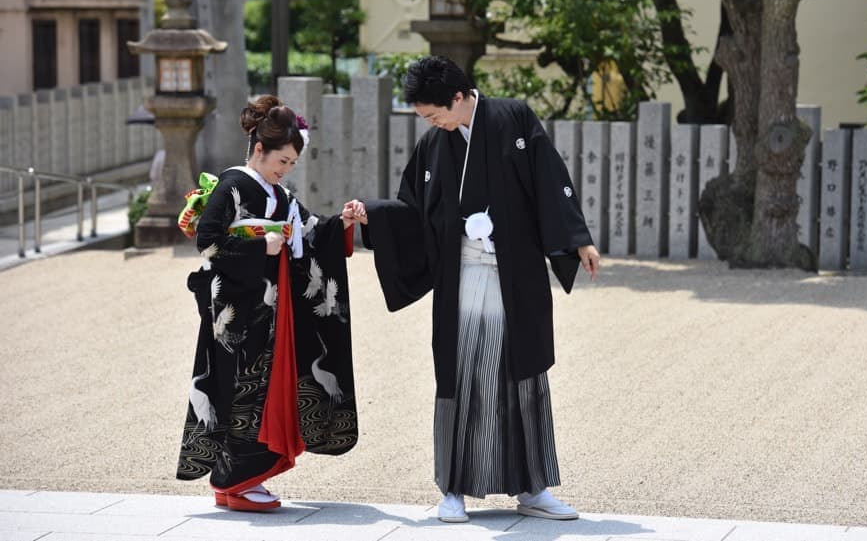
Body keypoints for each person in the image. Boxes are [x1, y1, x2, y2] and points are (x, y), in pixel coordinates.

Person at [344, 56, 601, 523]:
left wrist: (577, 238)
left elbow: (550, 178)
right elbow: (413, 212)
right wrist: (375, 215)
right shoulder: (434, 144)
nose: (431, 123)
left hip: (514, 273)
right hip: (461, 277)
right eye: (425, 117)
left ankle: (533, 487)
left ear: (459, 97)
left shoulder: (513, 119)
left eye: (434, 113)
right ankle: (453, 489)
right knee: (462, 376)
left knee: (522, 374)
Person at [176, 95, 358, 512]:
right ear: (260, 149)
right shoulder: (232, 186)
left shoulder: (282, 195)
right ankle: (235, 481)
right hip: (237, 310)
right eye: (283, 160)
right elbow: (207, 243)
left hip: (275, 312)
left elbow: (311, 232)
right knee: (241, 387)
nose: (286, 169)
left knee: (266, 386)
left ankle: (236, 481)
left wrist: (342, 222)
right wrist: (263, 247)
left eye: (292, 163)